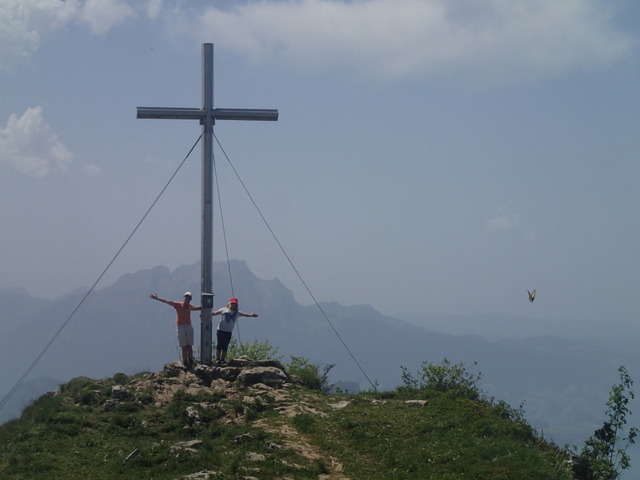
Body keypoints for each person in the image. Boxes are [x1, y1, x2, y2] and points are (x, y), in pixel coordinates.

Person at [149, 291, 202, 369]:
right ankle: (185, 362)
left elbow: (195, 308)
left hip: (188, 326)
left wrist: (204, 306)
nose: (187, 298)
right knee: (184, 346)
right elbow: (167, 301)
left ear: (190, 299)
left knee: (189, 346)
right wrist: (157, 298)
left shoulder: (190, 306)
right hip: (181, 326)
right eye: (186, 297)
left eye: (188, 297)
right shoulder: (178, 305)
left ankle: (190, 361)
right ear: (184, 298)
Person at [212, 297, 259, 363]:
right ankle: (217, 359)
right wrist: (207, 314)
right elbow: (216, 313)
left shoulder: (237, 313)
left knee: (225, 346)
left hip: (228, 331)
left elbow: (245, 314)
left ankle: (222, 359)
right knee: (219, 345)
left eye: (235, 304)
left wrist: (252, 315)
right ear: (230, 303)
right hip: (220, 330)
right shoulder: (224, 310)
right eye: (233, 303)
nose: (234, 305)